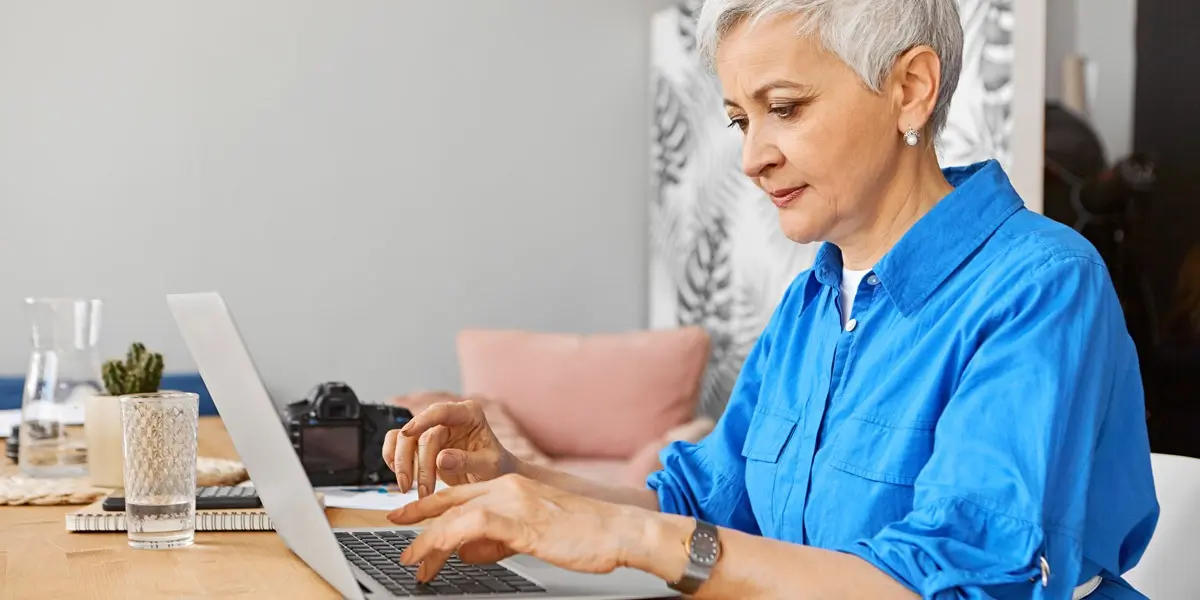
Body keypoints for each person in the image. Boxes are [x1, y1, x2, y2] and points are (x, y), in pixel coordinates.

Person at [381, 0, 1159, 597]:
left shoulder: (1041, 288)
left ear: (910, 89)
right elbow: (699, 504)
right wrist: (516, 476)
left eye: (785, 107)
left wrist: (622, 535)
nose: (753, 157)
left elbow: (953, 585)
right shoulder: (812, 303)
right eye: (739, 119)